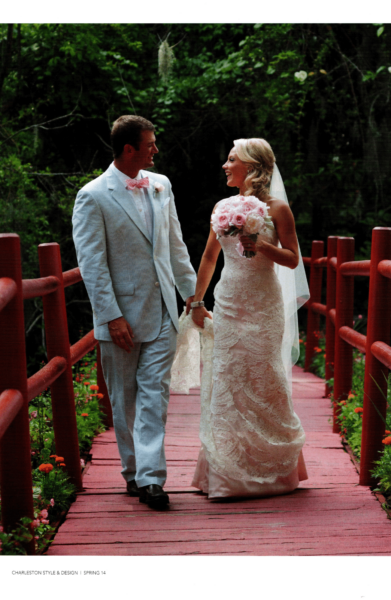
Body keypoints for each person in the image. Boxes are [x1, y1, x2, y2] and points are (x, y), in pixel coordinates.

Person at [72, 115, 196, 508]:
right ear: (129, 149)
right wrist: (110, 315)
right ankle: (133, 472)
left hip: (163, 313)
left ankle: (151, 479)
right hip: (120, 316)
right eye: (150, 144)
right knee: (125, 400)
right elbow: (92, 263)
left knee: (154, 396)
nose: (156, 149)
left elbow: (176, 246)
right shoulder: (92, 196)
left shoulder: (162, 185)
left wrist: (193, 298)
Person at [187, 138, 309, 499]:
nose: (225, 166)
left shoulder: (278, 208)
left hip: (264, 305)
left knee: (265, 379)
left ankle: (276, 472)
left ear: (252, 166)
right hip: (228, 302)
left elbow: (292, 259)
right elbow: (210, 258)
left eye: (231, 159)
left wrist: (260, 245)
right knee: (227, 382)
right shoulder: (222, 207)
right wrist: (196, 302)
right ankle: (226, 475)